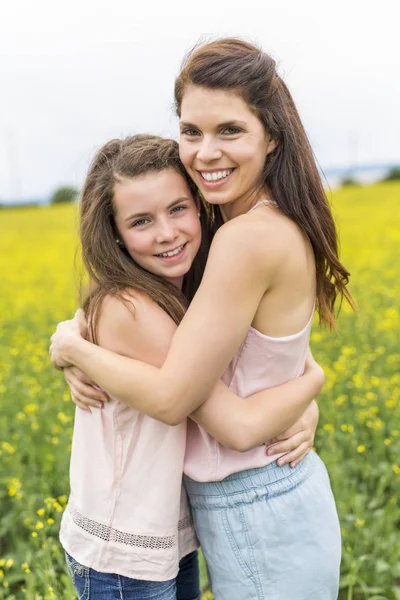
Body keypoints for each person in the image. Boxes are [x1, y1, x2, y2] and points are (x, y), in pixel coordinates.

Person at [50, 39, 354, 599]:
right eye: (191, 131)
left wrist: (72, 348)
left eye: (230, 131)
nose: (205, 151)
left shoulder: (246, 237)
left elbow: (183, 401)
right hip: (258, 500)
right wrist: (76, 331)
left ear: (272, 136)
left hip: (256, 502)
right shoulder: (236, 227)